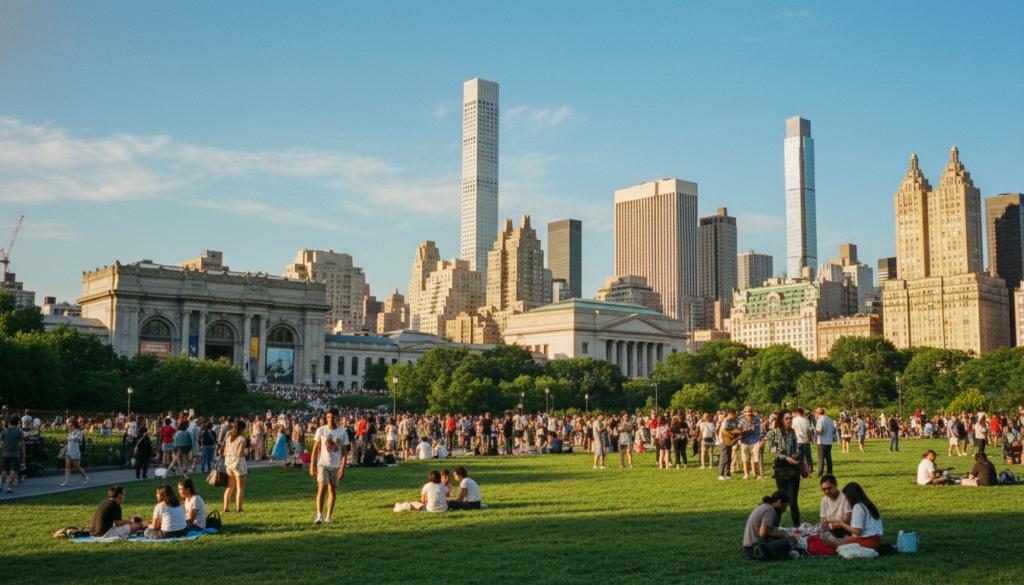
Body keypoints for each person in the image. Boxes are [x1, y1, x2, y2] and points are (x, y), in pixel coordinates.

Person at [310, 407, 349, 525]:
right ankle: (319, 515)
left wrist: (342, 467)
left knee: (332, 489)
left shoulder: (342, 432)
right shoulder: (321, 430)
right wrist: (312, 465)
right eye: (328, 417)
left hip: (336, 465)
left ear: (337, 418)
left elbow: (344, 452)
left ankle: (329, 516)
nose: (330, 419)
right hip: (323, 464)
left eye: (333, 417)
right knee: (322, 489)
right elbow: (315, 449)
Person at [766, 410, 803, 527]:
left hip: (793, 469)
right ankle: (774, 526)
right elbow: (772, 450)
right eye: (787, 418)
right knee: (780, 500)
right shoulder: (773, 433)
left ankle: (796, 527)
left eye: (791, 418)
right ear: (781, 419)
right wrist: (786, 458)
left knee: (793, 501)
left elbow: (797, 448)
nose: (790, 420)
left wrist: (797, 454)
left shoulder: (792, 433)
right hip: (780, 469)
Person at [824, 482, 883, 551]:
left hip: (866, 543)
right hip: (877, 541)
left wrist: (842, 524)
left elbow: (858, 531)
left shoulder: (858, 507)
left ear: (850, 497)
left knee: (831, 540)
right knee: (843, 538)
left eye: (846, 498)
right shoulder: (868, 505)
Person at [743, 490, 796, 560]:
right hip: (756, 547)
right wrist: (779, 535)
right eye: (786, 506)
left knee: (784, 543)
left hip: (749, 547)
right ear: (779, 502)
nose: (786, 509)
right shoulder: (769, 510)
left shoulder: (765, 507)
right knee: (786, 543)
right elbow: (763, 533)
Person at [222, 420, 248, 513]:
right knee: (240, 488)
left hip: (229, 464)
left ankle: (226, 508)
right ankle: (239, 508)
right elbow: (240, 453)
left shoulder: (229, 438)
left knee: (230, 487)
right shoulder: (242, 439)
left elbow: (225, 452)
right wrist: (248, 452)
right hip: (239, 464)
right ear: (242, 429)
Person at [1, 416, 26, 494]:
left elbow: (1, 441)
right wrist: (23, 455)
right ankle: (9, 487)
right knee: (13, 470)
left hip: (5, 453)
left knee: (4, 469)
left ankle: (1, 484)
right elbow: (22, 444)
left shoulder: (5, 431)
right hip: (15, 454)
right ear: (17, 423)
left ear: (9, 423)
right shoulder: (19, 432)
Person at [61, 418, 88, 487]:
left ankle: (85, 477)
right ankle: (67, 481)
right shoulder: (70, 433)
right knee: (67, 466)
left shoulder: (78, 432)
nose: (68, 426)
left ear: (72, 425)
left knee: (77, 466)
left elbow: (80, 441)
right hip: (69, 451)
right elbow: (70, 442)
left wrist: (73, 439)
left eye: (69, 424)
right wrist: (65, 446)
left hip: (75, 452)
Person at [738, 407, 761, 479]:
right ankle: (746, 474)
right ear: (744, 412)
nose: (748, 413)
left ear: (752, 412)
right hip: (745, 441)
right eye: (746, 412)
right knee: (745, 459)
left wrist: (760, 439)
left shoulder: (756, 420)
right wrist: (748, 429)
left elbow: (761, 429)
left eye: (749, 411)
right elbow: (739, 431)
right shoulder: (741, 421)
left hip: (755, 440)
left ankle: (755, 474)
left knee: (754, 458)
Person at [792, 408, 814, 473]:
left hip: (798, 441)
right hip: (805, 440)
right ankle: (810, 469)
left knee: (799, 457)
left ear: (797, 412)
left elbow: (792, 430)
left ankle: (800, 469)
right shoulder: (806, 420)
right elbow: (809, 431)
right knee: (808, 457)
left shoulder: (794, 420)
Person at [814, 408, 835, 478]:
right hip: (829, 441)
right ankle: (829, 473)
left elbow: (819, 431)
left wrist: (814, 431)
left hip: (822, 441)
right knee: (828, 458)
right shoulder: (830, 420)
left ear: (817, 413)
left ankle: (820, 474)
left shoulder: (820, 420)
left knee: (821, 458)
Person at [718, 411, 739, 480]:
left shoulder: (732, 422)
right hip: (723, 442)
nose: (735, 417)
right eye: (734, 416)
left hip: (729, 441)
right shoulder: (725, 421)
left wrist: (736, 442)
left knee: (729, 458)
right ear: (730, 415)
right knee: (724, 457)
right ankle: (721, 475)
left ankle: (728, 474)